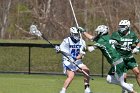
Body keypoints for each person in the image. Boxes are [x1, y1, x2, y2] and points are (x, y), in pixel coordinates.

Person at [78, 25, 137, 93]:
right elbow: (92, 38)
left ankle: (133, 91)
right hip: (117, 61)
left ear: (101, 32)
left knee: (122, 83)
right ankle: (128, 86)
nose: (97, 33)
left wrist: (82, 48)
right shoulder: (107, 37)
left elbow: (90, 49)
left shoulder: (101, 41)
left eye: (98, 32)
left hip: (116, 62)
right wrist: (83, 32)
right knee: (109, 79)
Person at [55, 27, 92, 93]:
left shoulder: (82, 42)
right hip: (67, 62)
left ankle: (87, 89)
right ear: (71, 34)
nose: (76, 36)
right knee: (71, 76)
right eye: (75, 34)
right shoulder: (66, 41)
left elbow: (82, 55)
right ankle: (63, 91)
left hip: (77, 61)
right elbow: (60, 50)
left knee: (86, 70)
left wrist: (75, 58)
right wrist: (57, 49)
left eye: (77, 34)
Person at [109, 19, 140, 93]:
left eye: (123, 26)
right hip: (120, 59)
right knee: (124, 77)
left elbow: (138, 42)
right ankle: (125, 90)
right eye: (120, 26)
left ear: (127, 27)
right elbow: (109, 44)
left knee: (137, 72)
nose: (121, 27)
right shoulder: (115, 34)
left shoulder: (132, 34)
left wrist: (137, 48)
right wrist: (111, 42)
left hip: (129, 58)